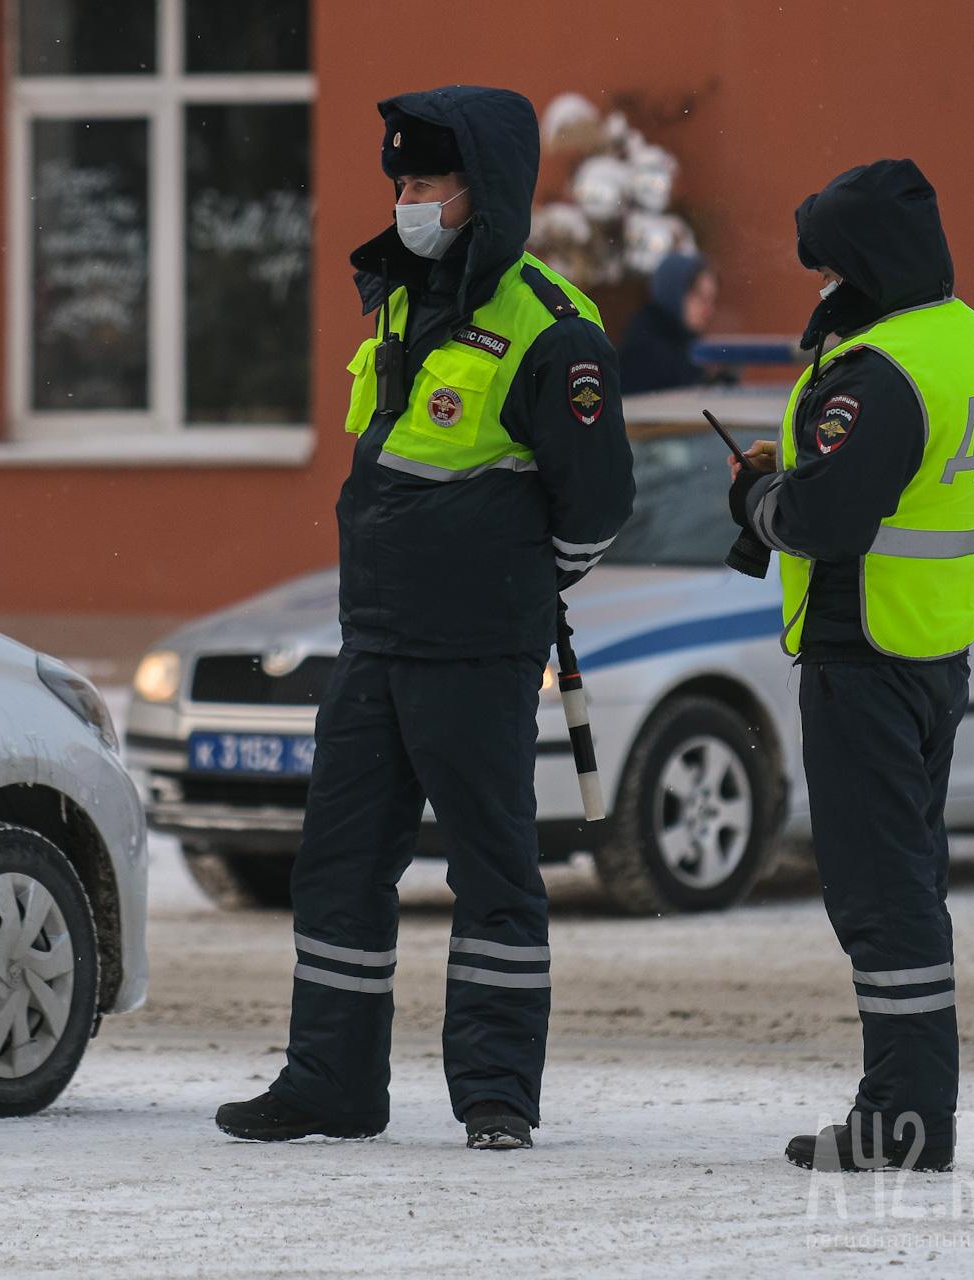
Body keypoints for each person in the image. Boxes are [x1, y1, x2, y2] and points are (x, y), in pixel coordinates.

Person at [214, 86, 634, 1150]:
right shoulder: (403, 299)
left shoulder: (552, 327)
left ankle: (495, 1090)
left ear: (480, 192)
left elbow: (596, 503)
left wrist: (525, 589)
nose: (407, 201)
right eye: (398, 182)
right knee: (340, 862)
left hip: (477, 649)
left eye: (427, 183)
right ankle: (331, 1081)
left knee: (491, 869)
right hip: (377, 639)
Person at [726, 159, 974, 1172]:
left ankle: (903, 1119)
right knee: (908, 881)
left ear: (865, 264)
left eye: (828, 266)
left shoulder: (877, 373)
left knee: (879, 893)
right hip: (936, 649)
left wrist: (758, 502)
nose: (819, 286)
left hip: (864, 655)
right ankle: (911, 1105)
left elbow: (826, 519)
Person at [619, 252, 719, 393]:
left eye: (712, 299)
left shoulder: (683, 344)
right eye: (701, 298)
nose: (709, 310)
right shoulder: (644, 352)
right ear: (674, 294)